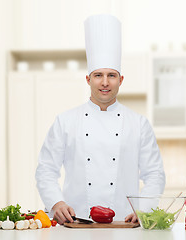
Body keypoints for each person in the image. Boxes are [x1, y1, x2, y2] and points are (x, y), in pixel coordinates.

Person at [35, 14, 165, 225]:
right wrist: (56, 203)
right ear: (88, 79)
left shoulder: (138, 123)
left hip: (125, 225)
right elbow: (46, 169)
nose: (105, 83)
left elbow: (154, 174)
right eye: (98, 75)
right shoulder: (65, 121)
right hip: (76, 223)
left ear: (121, 80)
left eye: (111, 75)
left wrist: (144, 210)